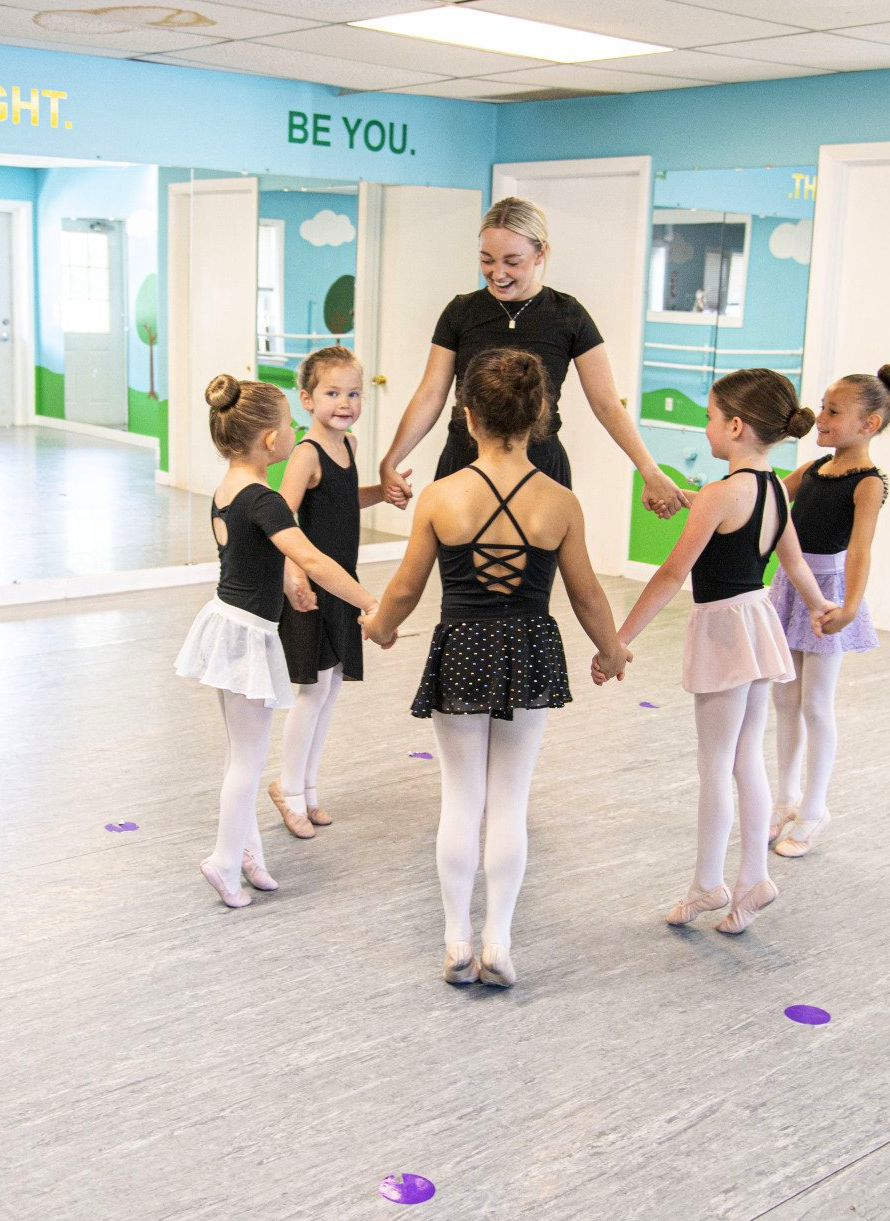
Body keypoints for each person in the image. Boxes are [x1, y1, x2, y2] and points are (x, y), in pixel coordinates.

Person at [361, 348, 632, 990]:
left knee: (462, 796)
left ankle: (457, 941)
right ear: (540, 413)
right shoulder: (560, 501)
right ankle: (499, 941)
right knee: (509, 799)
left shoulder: (440, 496)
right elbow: (587, 593)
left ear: (467, 416)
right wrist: (611, 649)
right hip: (529, 644)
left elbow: (403, 588)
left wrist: (380, 626)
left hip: (462, 646)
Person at [608, 369, 836, 936]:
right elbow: (793, 560)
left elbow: (671, 573)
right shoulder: (776, 489)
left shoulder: (719, 494)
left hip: (724, 630)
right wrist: (817, 607)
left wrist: (619, 639)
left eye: (709, 417)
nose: (704, 426)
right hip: (758, 622)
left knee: (715, 763)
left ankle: (710, 883)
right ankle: (752, 876)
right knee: (744, 759)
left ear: (735, 427)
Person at [173, 375, 379, 910]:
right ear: (270, 441)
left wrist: (287, 582)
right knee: (247, 760)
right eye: (288, 424)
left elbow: (260, 559)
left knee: (240, 753)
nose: (293, 434)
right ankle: (223, 860)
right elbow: (311, 558)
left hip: (229, 624)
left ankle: (247, 850)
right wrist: (369, 602)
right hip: (244, 635)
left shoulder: (228, 487)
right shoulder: (264, 499)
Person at [375, 196, 687, 520]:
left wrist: (649, 470)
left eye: (512, 261)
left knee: (534, 571)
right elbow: (430, 394)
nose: (498, 273)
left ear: (540, 253)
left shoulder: (569, 315)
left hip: (538, 463)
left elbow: (607, 403)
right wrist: (391, 461)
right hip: (466, 460)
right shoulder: (461, 312)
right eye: (486, 260)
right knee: (461, 570)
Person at [769, 365, 890, 859]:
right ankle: (785, 797)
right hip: (790, 585)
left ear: (869, 424)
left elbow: (860, 550)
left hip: (826, 592)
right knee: (784, 699)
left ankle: (814, 808)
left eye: (833, 410)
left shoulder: (869, 482)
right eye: (823, 406)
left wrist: (849, 605)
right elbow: (762, 500)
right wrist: (695, 500)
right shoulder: (811, 470)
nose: (820, 417)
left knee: (815, 704)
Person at [267, 347, 400, 838]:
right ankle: (288, 788)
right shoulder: (305, 454)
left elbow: (343, 501)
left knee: (331, 689)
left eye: (353, 394)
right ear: (306, 399)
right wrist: (293, 574)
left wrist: (381, 494)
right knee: (313, 691)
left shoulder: (349, 446)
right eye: (332, 393)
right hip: (313, 587)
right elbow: (280, 519)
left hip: (340, 583)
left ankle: (309, 788)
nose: (345, 403)